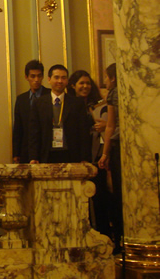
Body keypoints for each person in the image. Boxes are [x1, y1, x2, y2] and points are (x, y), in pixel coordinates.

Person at [68, 70, 111, 238]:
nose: (85, 86)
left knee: (100, 196)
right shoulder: (68, 105)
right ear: (73, 86)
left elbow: (112, 124)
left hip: (98, 156)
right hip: (77, 156)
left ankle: (104, 234)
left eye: (87, 83)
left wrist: (105, 126)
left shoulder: (99, 104)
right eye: (81, 83)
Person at [28, 64, 91, 164]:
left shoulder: (77, 103)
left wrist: (85, 157)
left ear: (67, 81)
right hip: (47, 153)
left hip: (70, 153)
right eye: (56, 77)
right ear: (49, 79)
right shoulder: (39, 103)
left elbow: (83, 132)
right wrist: (33, 156)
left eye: (63, 78)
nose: (60, 81)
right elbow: (34, 132)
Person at [98, 63, 123, 254]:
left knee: (118, 193)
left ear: (113, 78)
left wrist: (105, 154)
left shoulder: (114, 93)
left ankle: (120, 239)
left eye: (107, 77)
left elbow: (110, 126)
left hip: (118, 147)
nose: (105, 81)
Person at [12, 60, 50, 164]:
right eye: (33, 76)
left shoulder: (50, 95)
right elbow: (18, 128)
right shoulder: (21, 99)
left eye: (39, 76)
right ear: (26, 77)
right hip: (26, 149)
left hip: (45, 148)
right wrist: (16, 153)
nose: (36, 80)